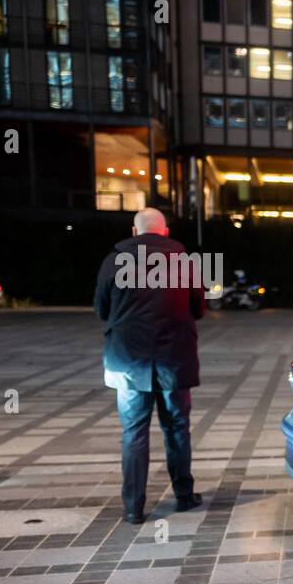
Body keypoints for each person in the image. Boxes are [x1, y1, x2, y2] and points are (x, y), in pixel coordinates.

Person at [94, 207, 204, 524]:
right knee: (177, 428)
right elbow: (198, 308)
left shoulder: (114, 261)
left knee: (133, 433)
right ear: (165, 232)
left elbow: (102, 309)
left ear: (134, 231)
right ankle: (184, 495)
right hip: (174, 359)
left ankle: (133, 507)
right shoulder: (184, 261)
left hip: (128, 361)